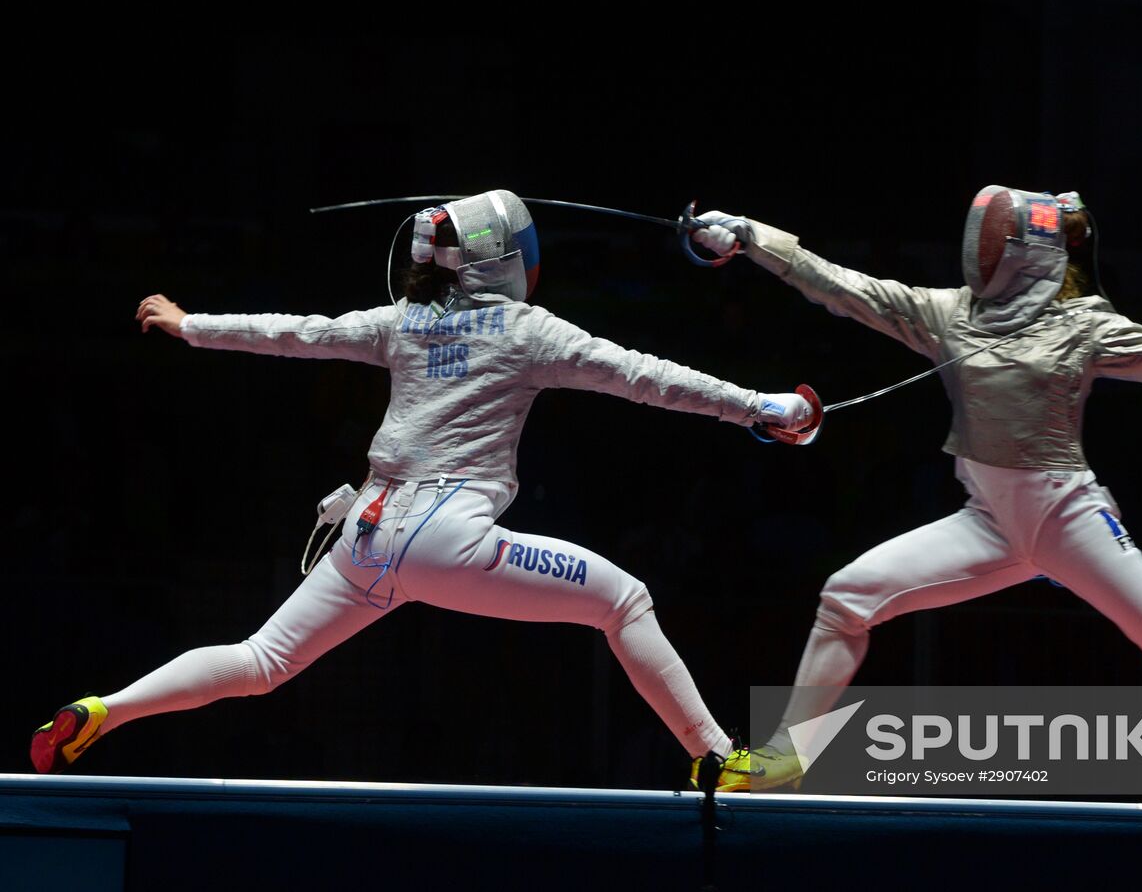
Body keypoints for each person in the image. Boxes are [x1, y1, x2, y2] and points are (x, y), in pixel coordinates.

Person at [31, 189, 815, 792]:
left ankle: (106, 709)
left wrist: (191, 322)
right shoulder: (526, 329)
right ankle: (719, 761)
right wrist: (761, 408)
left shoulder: (402, 323)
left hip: (366, 535)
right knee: (624, 601)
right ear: (504, 258)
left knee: (260, 660)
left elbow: (297, 332)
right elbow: (648, 378)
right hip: (448, 536)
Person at [690, 186, 1142, 807]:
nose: (980, 253)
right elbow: (837, 283)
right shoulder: (945, 314)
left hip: (1069, 518)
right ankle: (789, 757)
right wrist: (749, 234)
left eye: (993, 241)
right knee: (848, 596)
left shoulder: (1084, 326)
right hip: (988, 524)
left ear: (1027, 254)